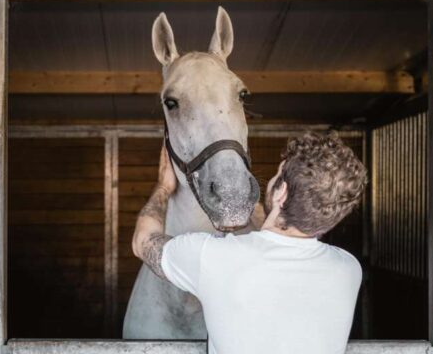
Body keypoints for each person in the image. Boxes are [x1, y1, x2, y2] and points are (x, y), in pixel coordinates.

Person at [132, 131, 368, 354]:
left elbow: (143, 241)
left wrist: (163, 187)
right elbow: (289, 231)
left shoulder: (214, 258)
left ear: (281, 193)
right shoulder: (347, 269)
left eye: (277, 175)